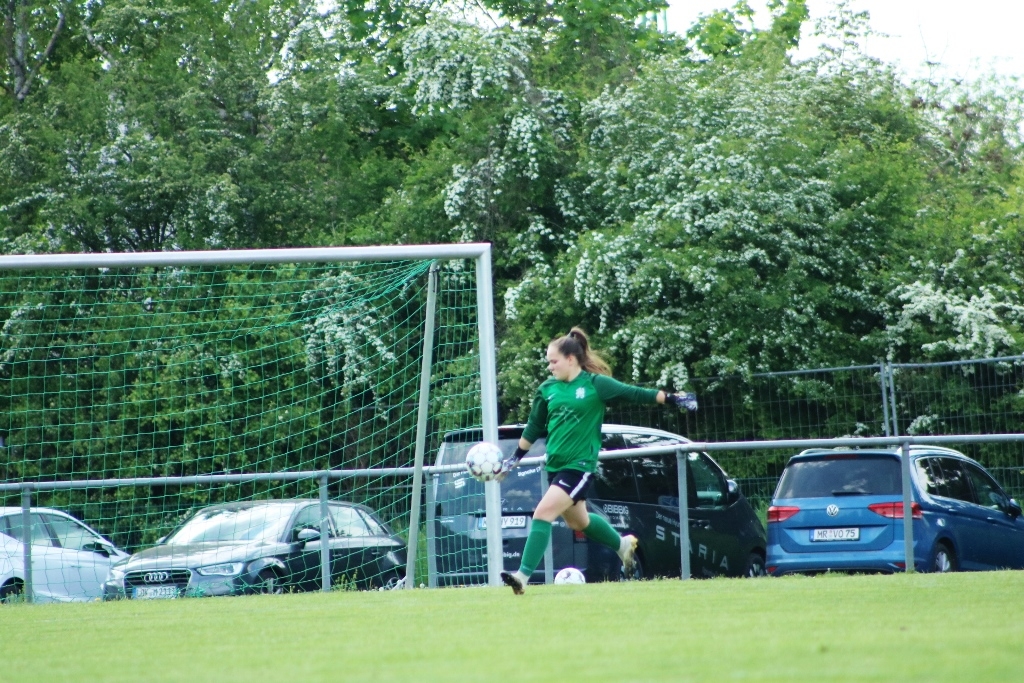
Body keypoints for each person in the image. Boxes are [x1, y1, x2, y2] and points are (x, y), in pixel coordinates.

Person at [498, 327, 698, 595]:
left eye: (553, 361)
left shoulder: (594, 385)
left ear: (571, 359)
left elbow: (634, 393)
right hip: (556, 466)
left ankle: (522, 577)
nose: (549, 367)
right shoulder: (547, 389)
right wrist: (513, 460)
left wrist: (673, 398)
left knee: (542, 513)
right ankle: (622, 544)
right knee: (578, 522)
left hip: (579, 467)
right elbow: (533, 427)